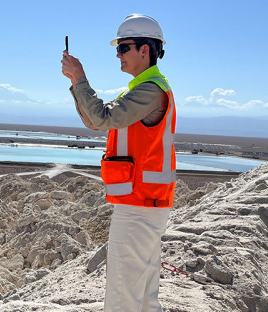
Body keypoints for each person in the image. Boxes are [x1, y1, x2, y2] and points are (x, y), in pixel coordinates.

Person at [61, 14, 176, 312]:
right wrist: (77, 84)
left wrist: (81, 78)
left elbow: (103, 118)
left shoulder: (151, 90)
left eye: (124, 47)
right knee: (143, 297)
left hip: (139, 204)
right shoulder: (141, 89)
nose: (118, 54)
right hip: (144, 202)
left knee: (122, 297)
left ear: (144, 50)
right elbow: (95, 120)